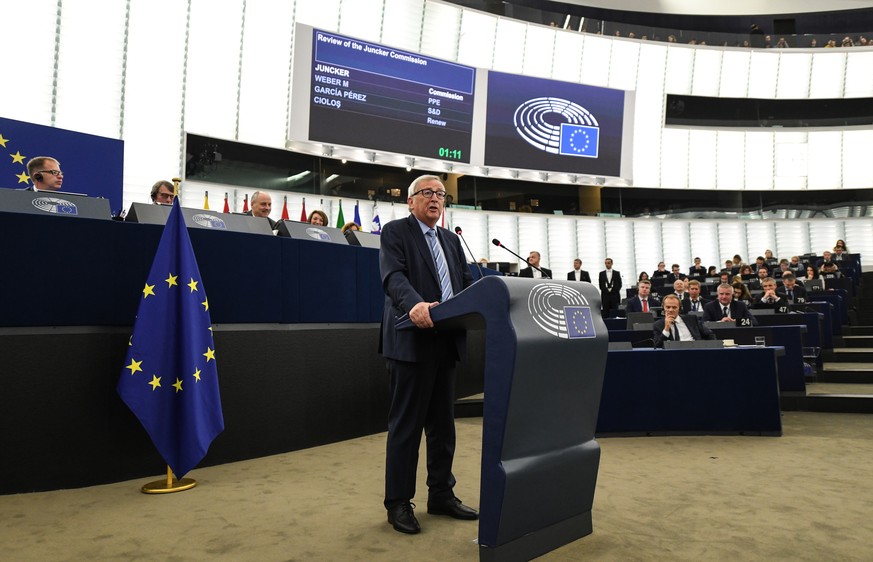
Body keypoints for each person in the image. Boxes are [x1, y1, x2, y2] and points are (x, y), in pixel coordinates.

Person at [378, 174, 477, 535]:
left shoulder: (452, 240)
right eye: (427, 193)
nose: (435, 198)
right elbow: (394, 278)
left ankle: (441, 494)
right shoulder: (395, 232)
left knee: (443, 427)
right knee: (406, 427)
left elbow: (465, 285)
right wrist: (416, 305)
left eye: (440, 194)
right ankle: (398, 503)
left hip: (446, 341)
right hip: (411, 340)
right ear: (410, 201)